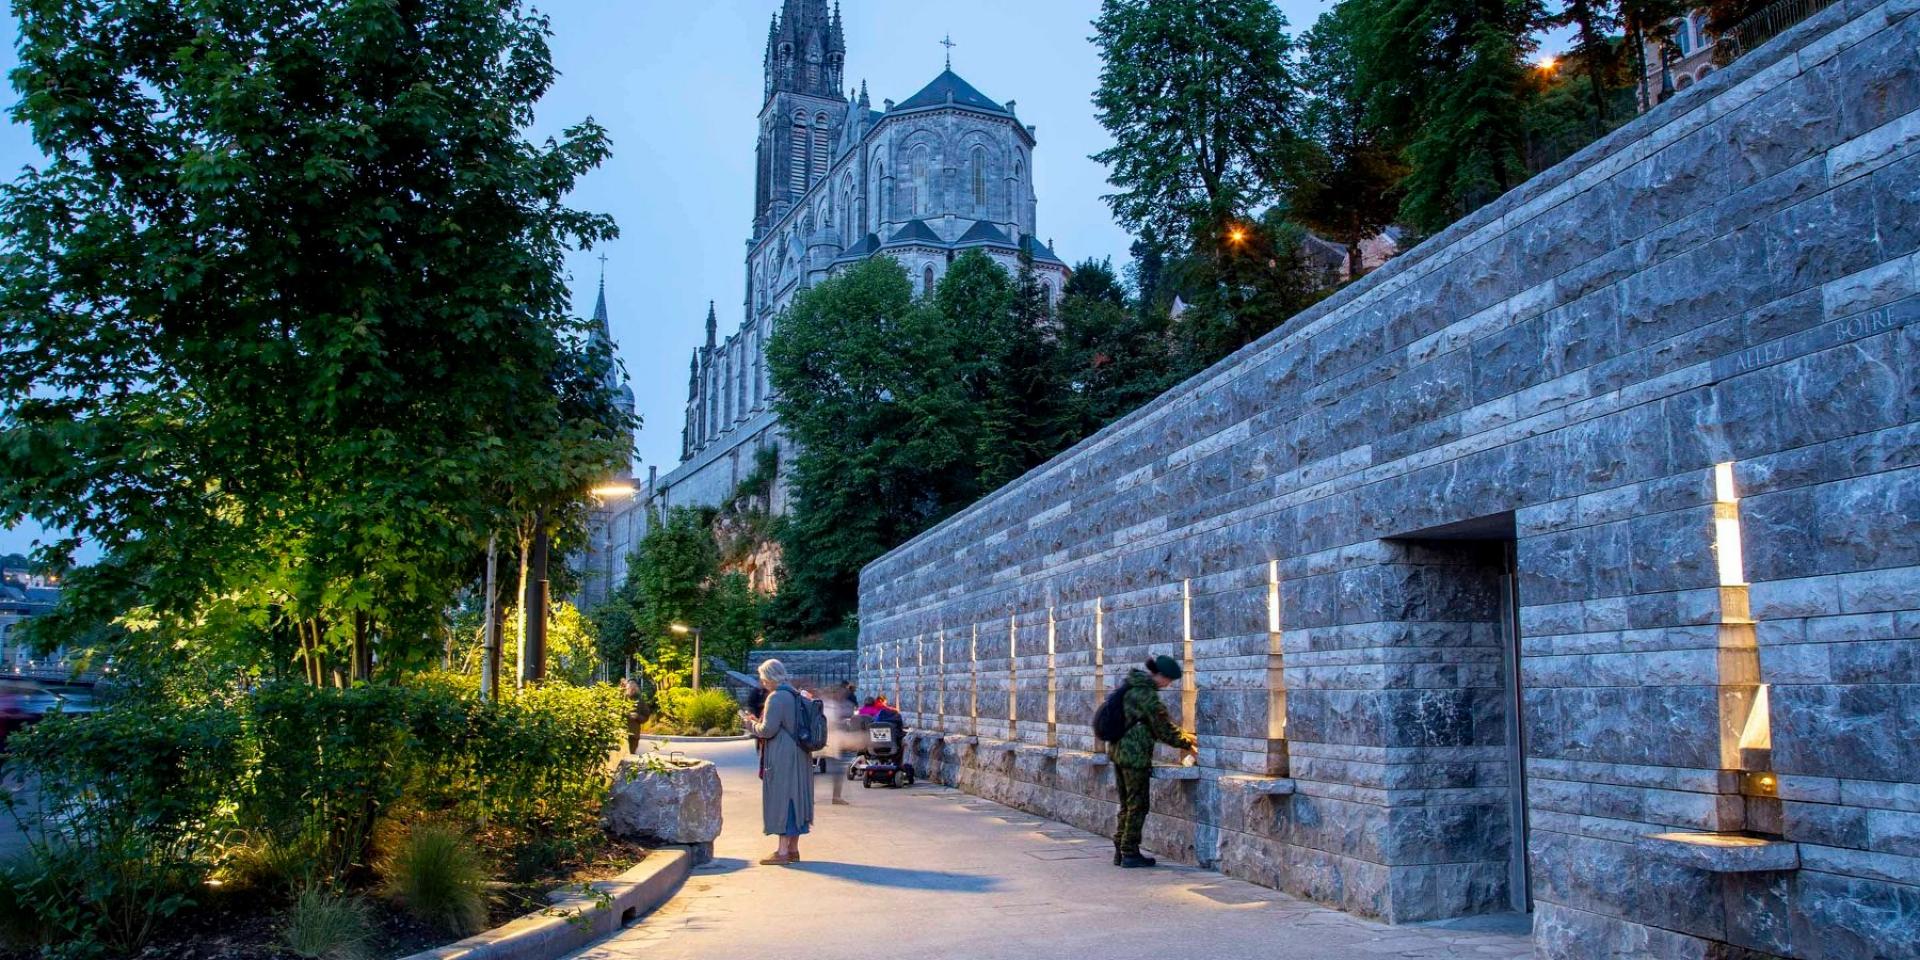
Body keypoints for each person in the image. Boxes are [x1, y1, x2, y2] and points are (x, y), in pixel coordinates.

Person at [1107, 654, 1196, 868]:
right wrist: (1188, 742)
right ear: (1161, 676)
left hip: (1120, 752)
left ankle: (1121, 848)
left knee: (1127, 804)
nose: (1169, 685)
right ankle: (1130, 852)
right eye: (1169, 680)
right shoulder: (1147, 695)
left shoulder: (1131, 687)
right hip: (1135, 756)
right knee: (1138, 805)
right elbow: (1163, 728)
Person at [740, 658, 815, 865]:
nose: (762, 682)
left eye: (763, 678)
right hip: (800, 753)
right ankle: (793, 849)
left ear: (770, 677)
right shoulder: (796, 694)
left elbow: (768, 730)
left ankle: (782, 852)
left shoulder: (776, 697)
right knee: (797, 797)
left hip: (783, 755)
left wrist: (750, 724)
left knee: (784, 797)